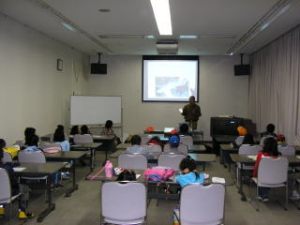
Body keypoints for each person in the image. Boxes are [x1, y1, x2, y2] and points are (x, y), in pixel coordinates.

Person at [0, 139, 33, 219]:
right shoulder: (7, 168)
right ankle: (22, 212)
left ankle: (1, 209)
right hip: (6, 194)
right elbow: (13, 183)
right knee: (24, 188)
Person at [253, 137, 280, 201]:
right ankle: (264, 195)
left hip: (263, 177)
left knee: (261, 175)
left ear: (265, 145)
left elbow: (256, 167)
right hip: (277, 178)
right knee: (268, 175)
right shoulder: (279, 156)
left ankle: (261, 195)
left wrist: (254, 175)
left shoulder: (261, 155)